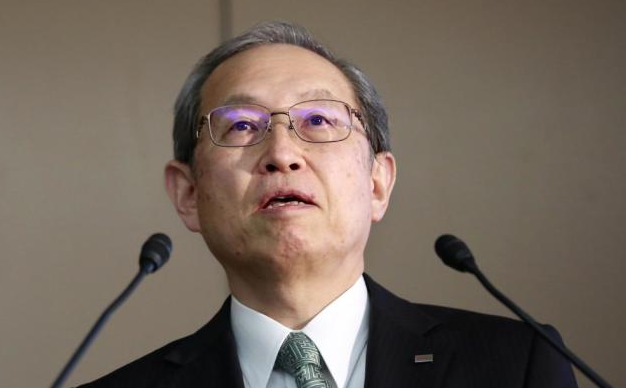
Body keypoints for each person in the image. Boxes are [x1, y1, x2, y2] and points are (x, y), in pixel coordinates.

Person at [81, 21, 576, 388]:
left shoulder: (517, 365)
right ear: (188, 194)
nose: (281, 154)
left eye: (318, 121)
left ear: (378, 184)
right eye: (242, 126)